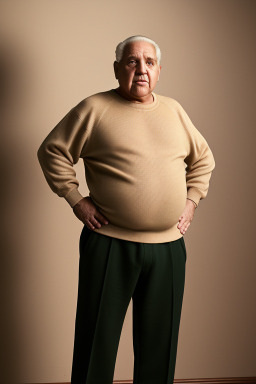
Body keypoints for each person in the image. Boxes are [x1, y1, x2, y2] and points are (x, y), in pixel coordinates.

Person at [37, 35, 215, 384]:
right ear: (117, 69)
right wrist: (76, 199)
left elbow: (203, 159)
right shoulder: (93, 109)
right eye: (132, 61)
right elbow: (52, 151)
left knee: (159, 348)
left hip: (168, 248)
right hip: (109, 243)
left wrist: (191, 201)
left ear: (159, 71)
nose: (141, 69)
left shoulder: (175, 111)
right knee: (95, 345)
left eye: (149, 62)